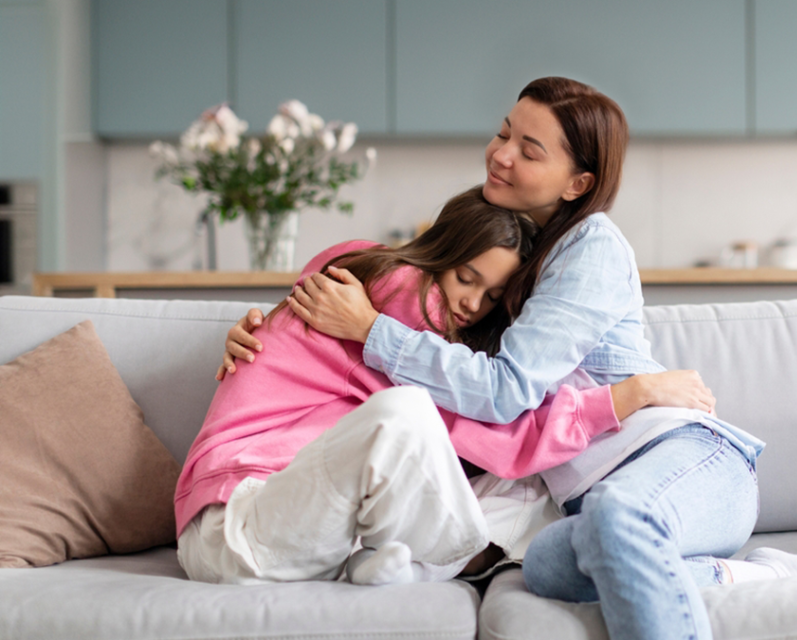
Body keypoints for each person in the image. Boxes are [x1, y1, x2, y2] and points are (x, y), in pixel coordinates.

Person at [219, 78, 797, 638]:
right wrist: (267, 336)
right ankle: (755, 575)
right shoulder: (504, 262)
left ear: (577, 183)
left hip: (684, 462)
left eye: (529, 148)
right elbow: (407, 350)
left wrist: (371, 330)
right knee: (542, 568)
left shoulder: (590, 247)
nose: (500, 153)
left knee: (615, 519)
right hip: (590, 503)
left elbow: (505, 391)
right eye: (504, 131)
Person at [177, 186, 711, 588]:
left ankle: (391, 560)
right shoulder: (396, 294)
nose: (473, 304)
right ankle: (459, 557)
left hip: (301, 525)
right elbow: (501, 432)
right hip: (239, 519)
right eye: (466, 277)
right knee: (409, 414)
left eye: (493, 295)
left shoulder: (380, 296)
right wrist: (630, 393)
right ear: (443, 251)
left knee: (522, 489)